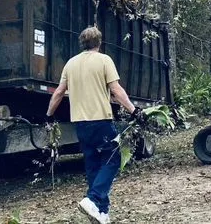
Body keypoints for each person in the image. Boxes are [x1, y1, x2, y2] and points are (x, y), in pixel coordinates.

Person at [46, 26, 144, 224]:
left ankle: (101, 213)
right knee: (113, 159)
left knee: (93, 165)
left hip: (80, 124)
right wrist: (134, 110)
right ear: (99, 43)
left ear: (82, 43)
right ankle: (93, 199)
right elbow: (116, 90)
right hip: (100, 120)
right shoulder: (104, 60)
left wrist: (49, 115)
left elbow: (58, 93)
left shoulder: (70, 64)